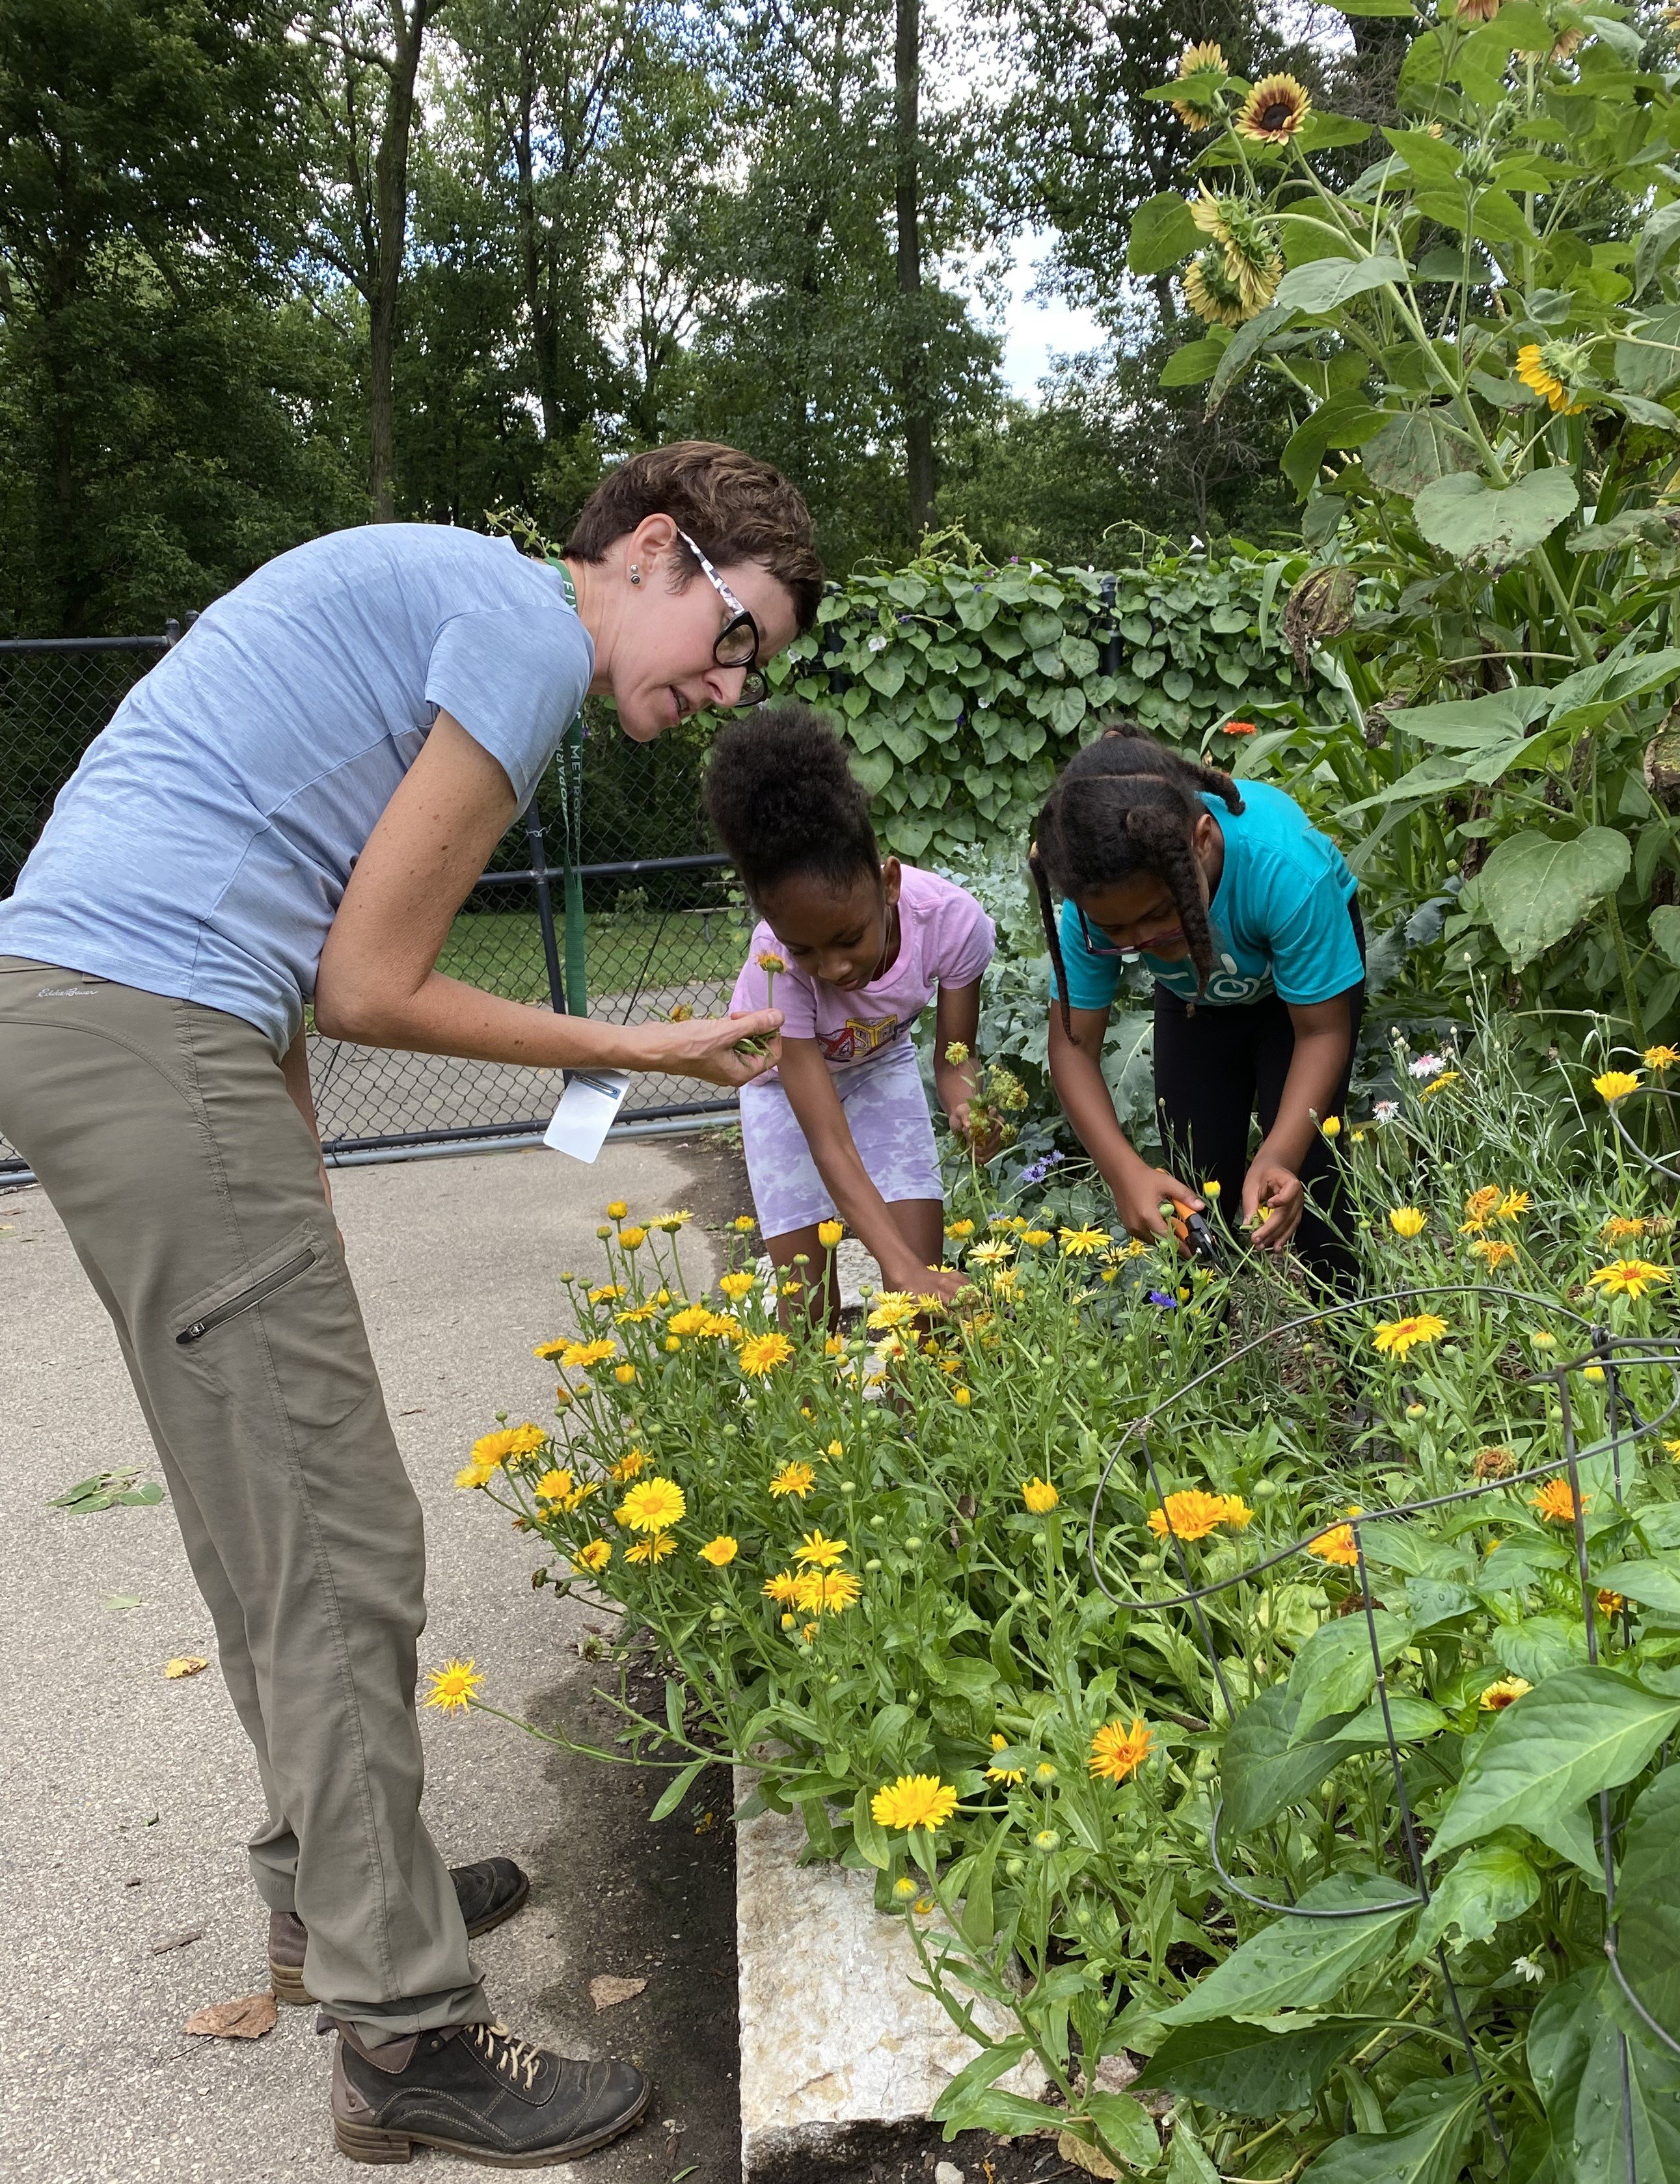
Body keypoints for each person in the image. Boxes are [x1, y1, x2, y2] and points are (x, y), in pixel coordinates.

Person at [0, 442, 819, 2167]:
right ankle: (407, 2039)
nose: (725, 689)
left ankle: (334, 1893)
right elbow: (374, 979)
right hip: (146, 1020)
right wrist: (641, 1040)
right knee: (336, 1536)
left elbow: (275, 884)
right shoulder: (522, 638)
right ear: (658, 553)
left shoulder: (449, 587)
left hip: (111, 1012)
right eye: (734, 636)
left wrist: (277, 1157)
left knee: (265, 1514)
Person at [1029, 724, 1366, 1286]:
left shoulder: (1285, 869)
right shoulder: (1096, 903)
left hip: (1305, 1015)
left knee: (1313, 1177)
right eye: (1119, 928)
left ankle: (1360, 1344)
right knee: (1192, 1182)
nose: (1144, 939)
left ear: (1203, 840)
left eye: (1164, 911)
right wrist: (1124, 1173)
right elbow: (1073, 1045)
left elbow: (1321, 1034)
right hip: (1197, 1002)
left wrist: (1278, 1153)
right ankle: (1209, 1359)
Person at [704, 703, 996, 1318]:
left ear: (888, 882)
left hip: (879, 1065)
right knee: (808, 1306)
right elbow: (827, 1139)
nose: (833, 968)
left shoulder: (951, 923)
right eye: (803, 947)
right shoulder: (772, 969)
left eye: (847, 938)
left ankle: (914, 1417)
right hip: (784, 1089)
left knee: (922, 1300)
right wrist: (898, 1266)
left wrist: (967, 1104)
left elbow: (954, 1061)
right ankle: (814, 1415)